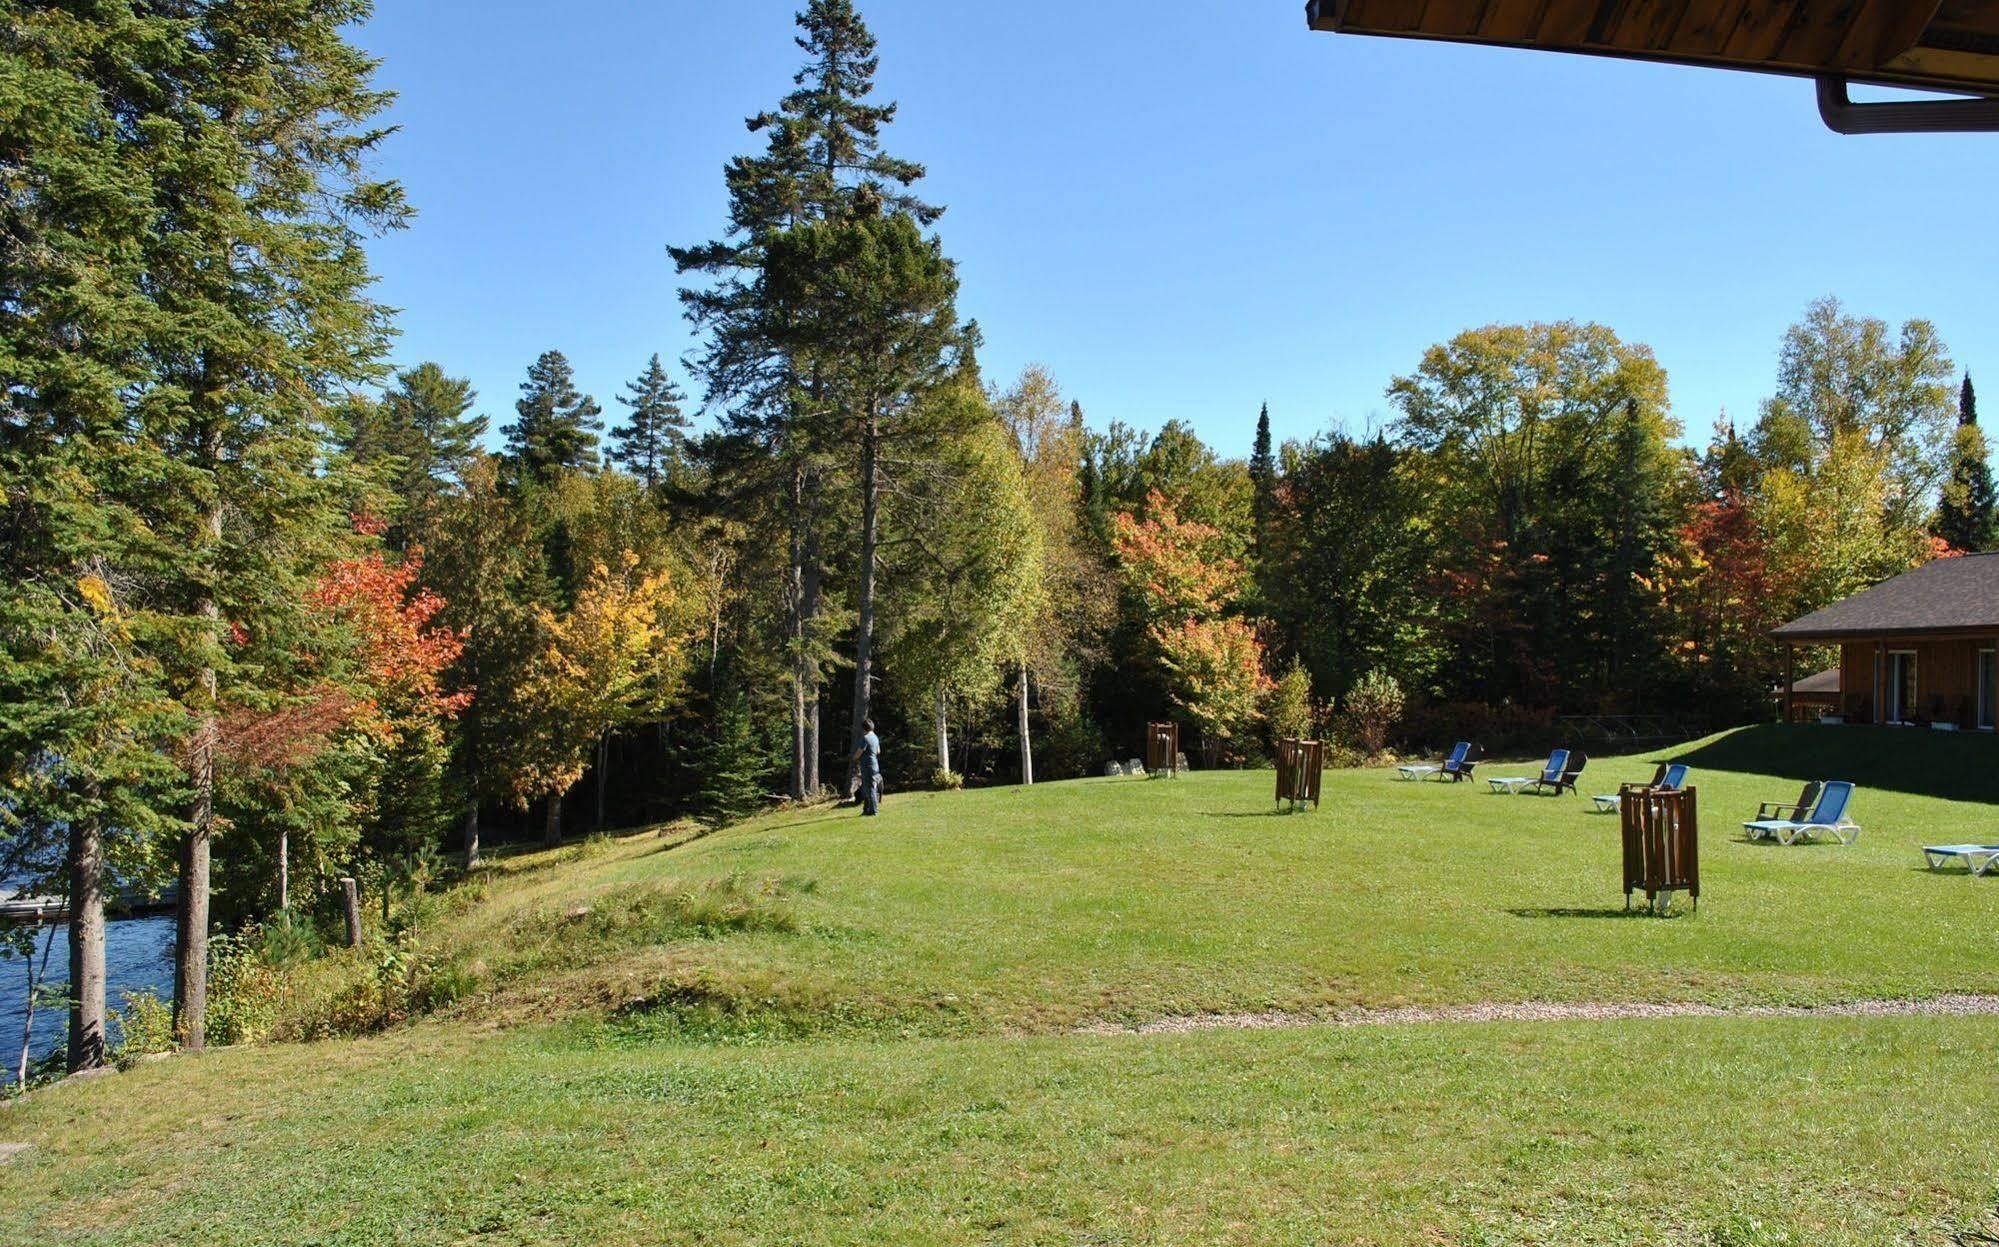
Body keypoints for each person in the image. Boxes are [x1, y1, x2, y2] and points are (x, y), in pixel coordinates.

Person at [851, 718, 882, 816]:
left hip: (867, 766)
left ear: (863, 728)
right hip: (874, 765)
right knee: (867, 788)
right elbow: (878, 751)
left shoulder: (865, 738)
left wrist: (854, 758)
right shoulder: (875, 737)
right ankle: (866, 810)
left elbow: (859, 752)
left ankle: (873, 811)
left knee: (870, 789)